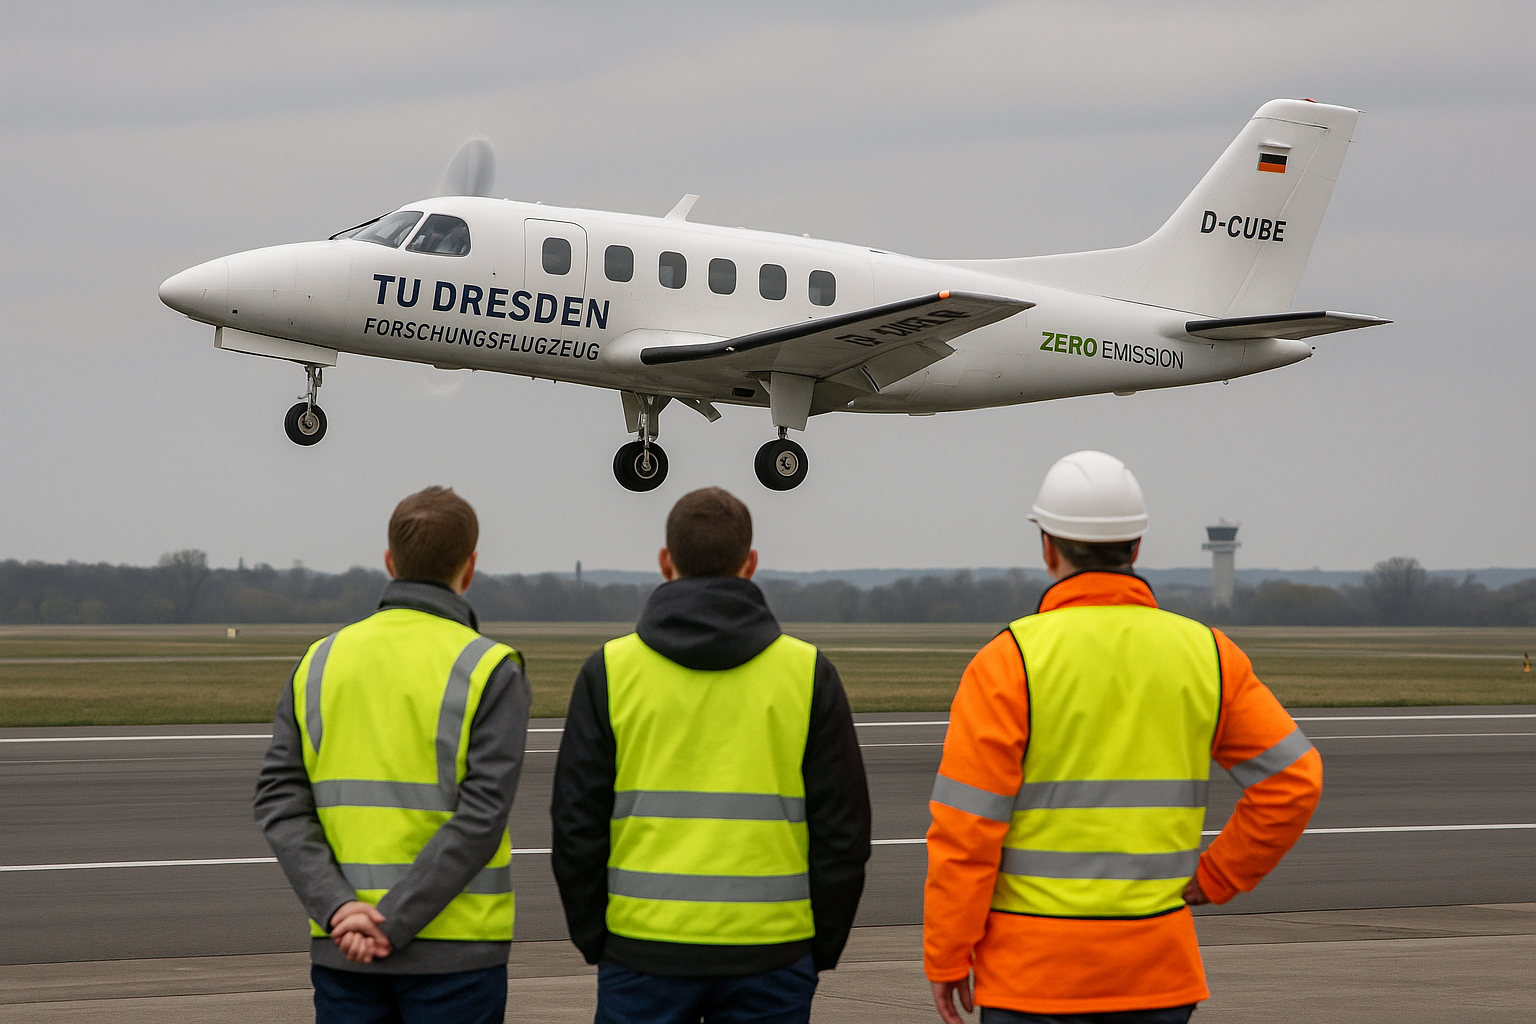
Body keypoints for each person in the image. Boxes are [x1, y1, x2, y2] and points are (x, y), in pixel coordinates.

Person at [924, 451, 1323, 1024]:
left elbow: (966, 833)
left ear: (1048, 547)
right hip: (1157, 974)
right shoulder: (1207, 654)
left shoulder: (1007, 662)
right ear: (1135, 548)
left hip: (1030, 979)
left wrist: (946, 953)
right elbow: (1293, 779)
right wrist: (1219, 874)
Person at [551, 486, 871, 1024]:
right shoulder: (807, 673)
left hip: (641, 948)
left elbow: (575, 826)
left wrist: (598, 941)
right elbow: (843, 832)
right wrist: (819, 948)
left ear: (664, 561)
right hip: (774, 952)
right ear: (751, 564)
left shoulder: (608, 671)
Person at [254, 486, 531, 1024]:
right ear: (469, 567)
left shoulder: (320, 660)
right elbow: (481, 818)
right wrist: (392, 921)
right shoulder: (490, 667)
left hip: (344, 950)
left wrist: (340, 911)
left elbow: (279, 800)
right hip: (456, 953)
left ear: (389, 562)